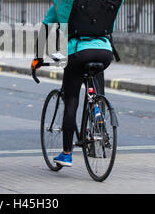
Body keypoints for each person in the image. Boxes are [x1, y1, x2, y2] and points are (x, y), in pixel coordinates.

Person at [31, 10, 114, 167]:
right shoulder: (103, 1)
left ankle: (67, 154)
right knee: (93, 87)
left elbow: (45, 29)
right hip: (105, 52)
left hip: (78, 53)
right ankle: (97, 110)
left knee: (71, 101)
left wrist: (38, 58)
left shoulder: (63, 2)